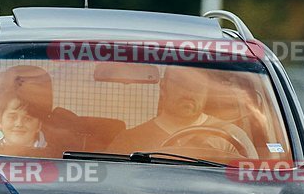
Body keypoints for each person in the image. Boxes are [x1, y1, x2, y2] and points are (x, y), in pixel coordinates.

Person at [108, 66, 255, 157]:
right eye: (181, 83)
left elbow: (254, 188)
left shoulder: (232, 138)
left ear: (207, 91)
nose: (190, 91)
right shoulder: (128, 142)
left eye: (197, 85)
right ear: (163, 87)